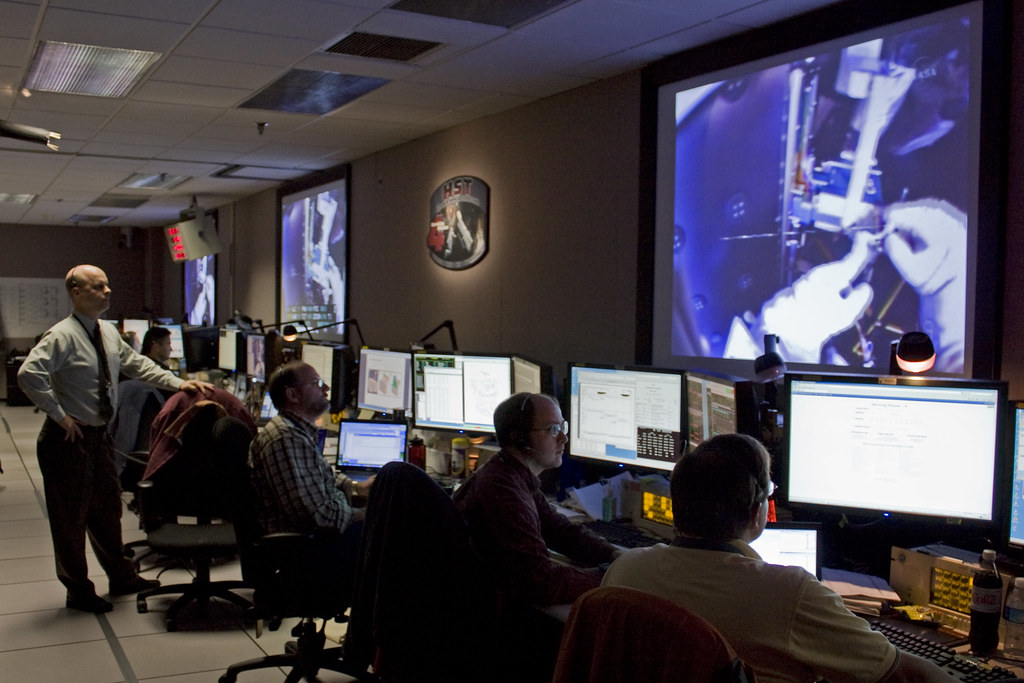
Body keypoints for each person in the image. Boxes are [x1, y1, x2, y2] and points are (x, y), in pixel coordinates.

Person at [602, 433, 954, 683]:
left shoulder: (626, 570)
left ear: (676, 505)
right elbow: (903, 675)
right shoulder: (789, 592)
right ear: (758, 510)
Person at [17, 265, 215, 614]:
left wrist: (178, 383)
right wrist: (59, 414)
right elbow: (28, 374)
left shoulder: (106, 331)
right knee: (70, 520)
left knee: (107, 510)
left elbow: (136, 364)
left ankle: (122, 576)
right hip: (68, 439)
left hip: (98, 437)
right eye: (98, 287)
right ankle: (78, 589)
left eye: (107, 285)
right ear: (76, 292)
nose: (107, 291)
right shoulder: (62, 335)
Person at [453, 392, 620, 606]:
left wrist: (613, 554)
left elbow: (557, 529)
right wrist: (613, 577)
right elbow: (541, 583)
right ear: (520, 438)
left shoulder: (511, 474)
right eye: (553, 430)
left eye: (563, 427)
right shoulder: (503, 490)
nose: (564, 438)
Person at [247, 361, 371, 606]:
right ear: (292, 395)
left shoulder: (294, 431)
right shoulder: (285, 438)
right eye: (316, 383)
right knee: (401, 541)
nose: (326, 388)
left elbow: (315, 476)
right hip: (309, 551)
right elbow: (318, 516)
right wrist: (368, 515)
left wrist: (356, 487)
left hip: (313, 542)